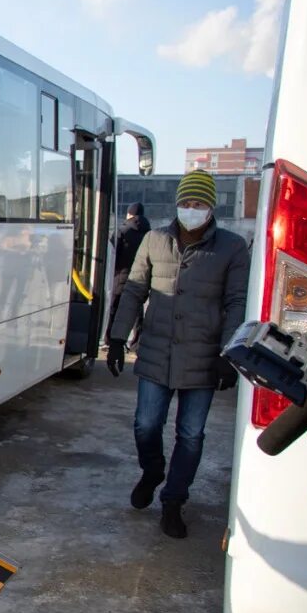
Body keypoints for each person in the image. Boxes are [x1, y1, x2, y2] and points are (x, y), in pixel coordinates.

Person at [106, 169, 248, 538]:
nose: (191, 209)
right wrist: (118, 338)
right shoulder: (154, 240)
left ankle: (173, 500)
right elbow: (134, 290)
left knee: (191, 434)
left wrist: (228, 354)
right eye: (186, 202)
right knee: (146, 424)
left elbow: (236, 302)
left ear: (211, 207)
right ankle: (153, 470)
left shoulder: (231, 247)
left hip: (204, 357)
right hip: (156, 351)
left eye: (198, 203)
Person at [109, 201, 151, 349]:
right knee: (137, 309)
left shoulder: (122, 231)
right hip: (143, 277)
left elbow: (113, 253)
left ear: (129, 214)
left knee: (115, 306)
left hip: (121, 274)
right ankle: (136, 343)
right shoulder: (149, 234)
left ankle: (110, 339)